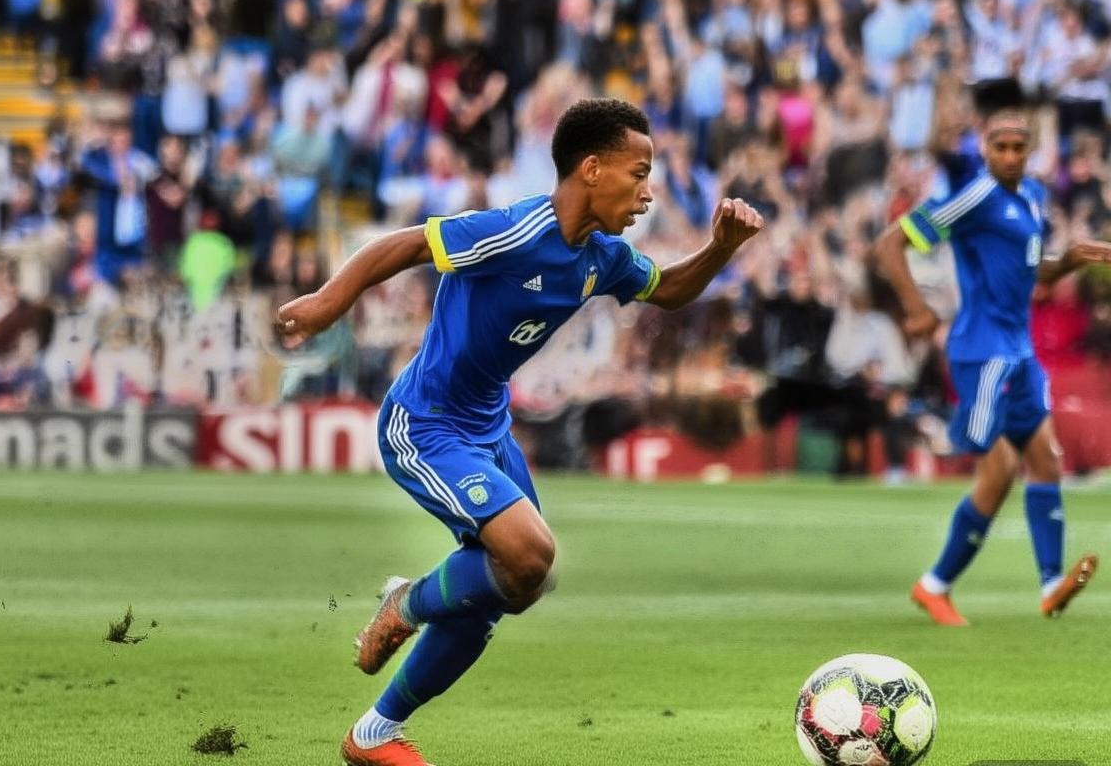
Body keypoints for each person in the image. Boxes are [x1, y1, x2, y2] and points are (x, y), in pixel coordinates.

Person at [276, 98, 764, 765]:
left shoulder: (602, 257)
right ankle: (407, 603)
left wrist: (721, 249)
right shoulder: (515, 231)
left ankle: (375, 733)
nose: (648, 193)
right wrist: (329, 302)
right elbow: (410, 243)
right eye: (638, 174)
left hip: (488, 428)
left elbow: (671, 289)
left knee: (514, 585)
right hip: (426, 424)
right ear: (591, 169)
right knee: (531, 555)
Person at [873, 99, 1108, 627]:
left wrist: (1070, 260)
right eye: (999, 147)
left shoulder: (1032, 196)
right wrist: (916, 308)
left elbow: (1033, 272)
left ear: (1030, 150)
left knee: (1046, 458)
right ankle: (935, 582)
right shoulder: (973, 197)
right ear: (985, 149)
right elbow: (890, 245)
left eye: (1018, 147)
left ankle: (1049, 584)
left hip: (1019, 351)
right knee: (997, 468)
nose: (1009, 155)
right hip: (981, 352)